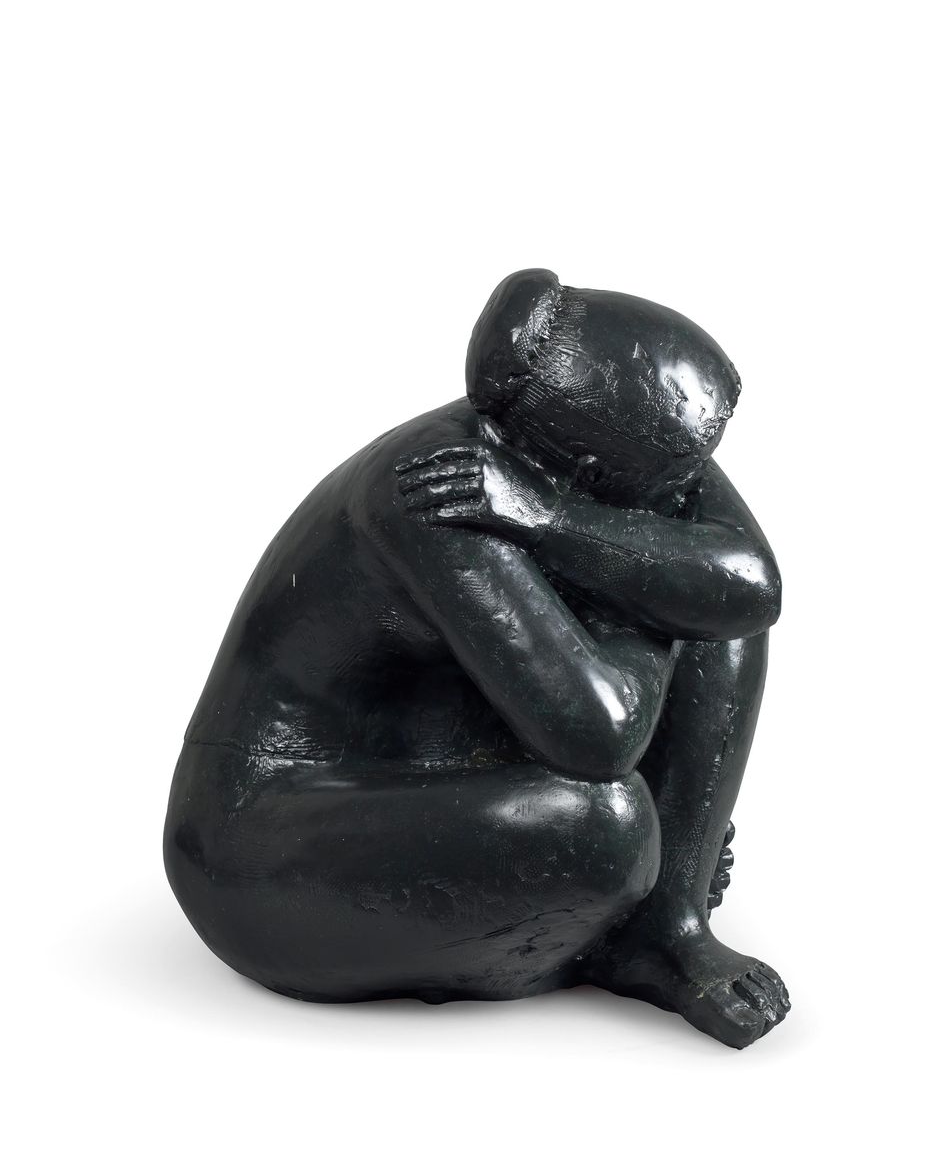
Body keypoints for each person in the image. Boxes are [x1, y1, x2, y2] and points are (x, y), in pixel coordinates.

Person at [165, 268, 789, 1048]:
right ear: (585, 463)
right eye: (686, 466)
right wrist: (648, 590)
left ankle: (665, 927)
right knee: (606, 824)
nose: (700, 482)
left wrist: (555, 520)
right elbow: (602, 735)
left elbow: (751, 587)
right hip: (267, 837)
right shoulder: (436, 489)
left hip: (449, 749)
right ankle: (601, 921)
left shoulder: (591, 450)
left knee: (717, 609)